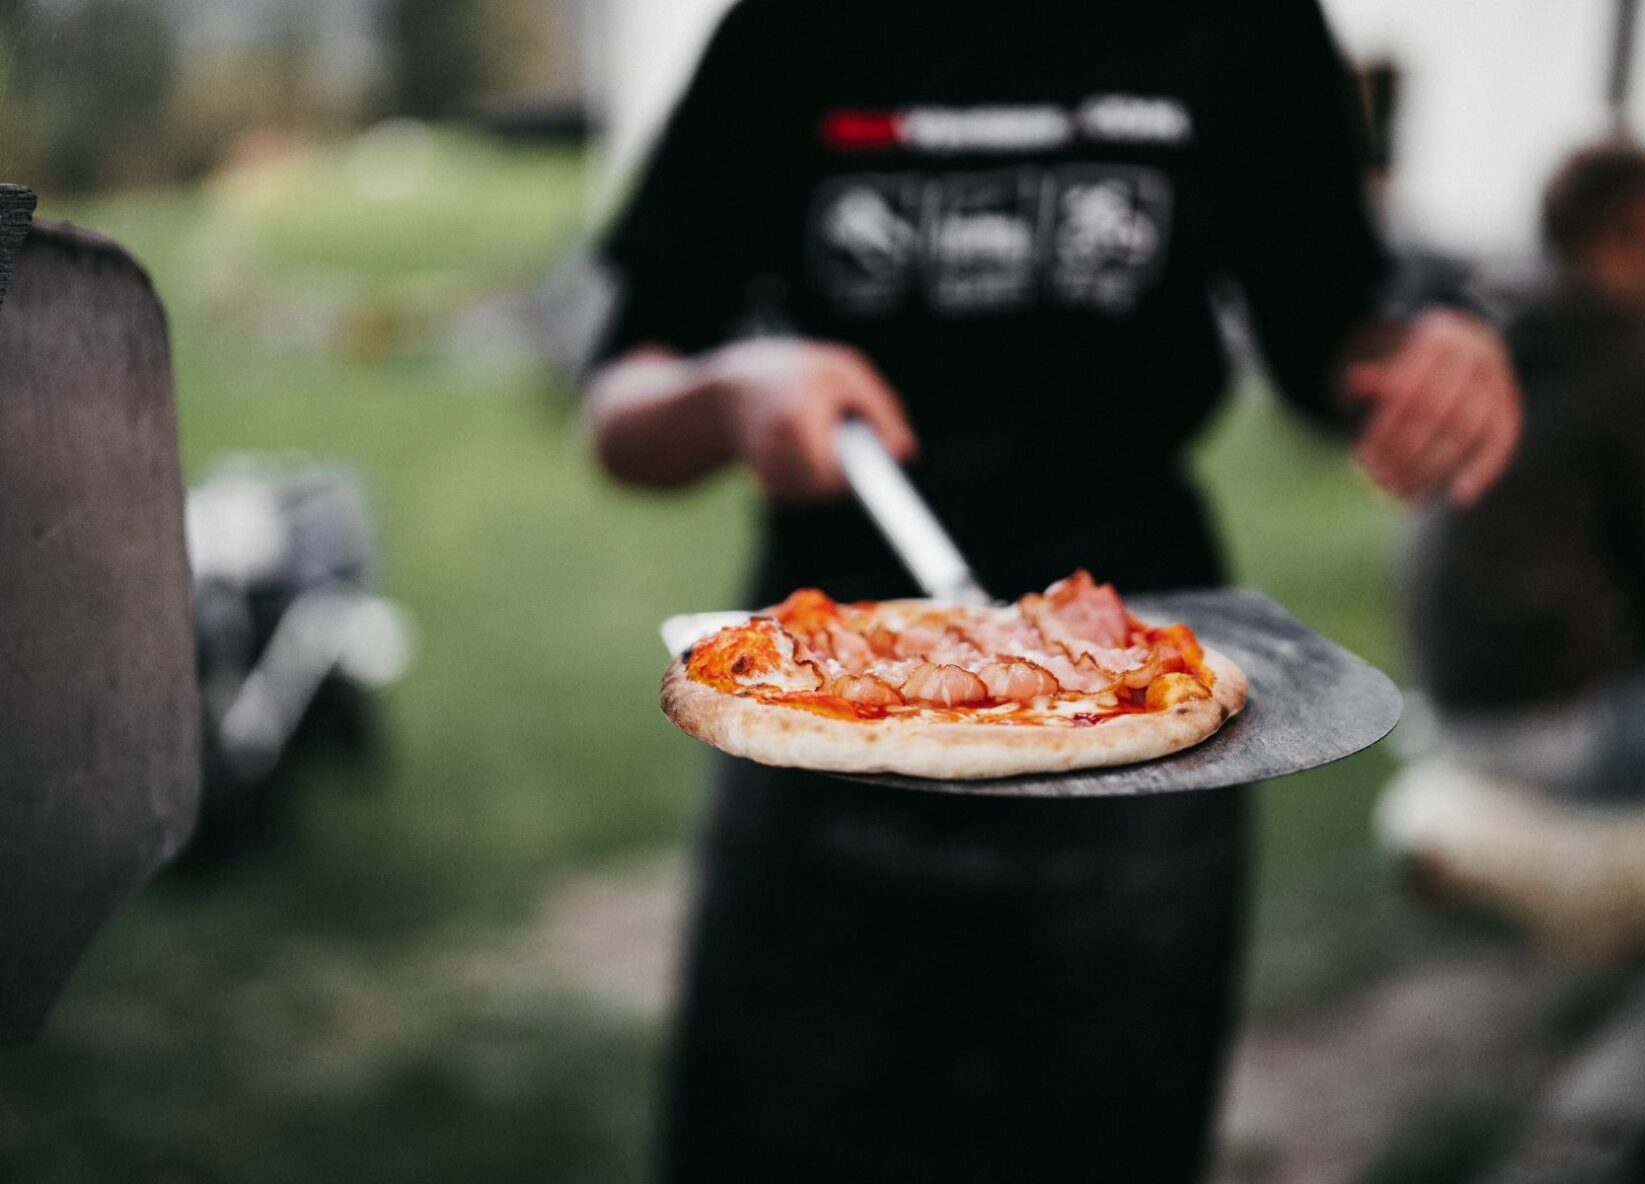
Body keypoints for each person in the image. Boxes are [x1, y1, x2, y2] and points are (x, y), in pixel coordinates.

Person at [582, 2, 1520, 1179]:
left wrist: (1431, 346)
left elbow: (1336, 322)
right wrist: (728, 390)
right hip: (824, 718)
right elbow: (622, 408)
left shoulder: (1249, 24)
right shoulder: (789, 25)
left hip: (1139, 732)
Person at [1406, 139, 1645, 802]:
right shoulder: (1644, 371)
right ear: (1633, 232)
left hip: (1450, 716)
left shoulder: (1507, 339)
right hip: (1555, 736)